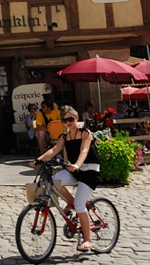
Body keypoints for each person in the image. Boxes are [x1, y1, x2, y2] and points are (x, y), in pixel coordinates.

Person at [30, 105, 101, 252]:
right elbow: (54, 150)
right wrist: (38, 160)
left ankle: (88, 240)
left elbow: (84, 150)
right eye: (65, 120)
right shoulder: (65, 137)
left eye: (71, 119)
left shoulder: (85, 133)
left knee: (81, 204)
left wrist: (77, 164)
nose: (68, 122)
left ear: (76, 118)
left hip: (90, 172)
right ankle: (71, 203)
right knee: (55, 180)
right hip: (75, 170)